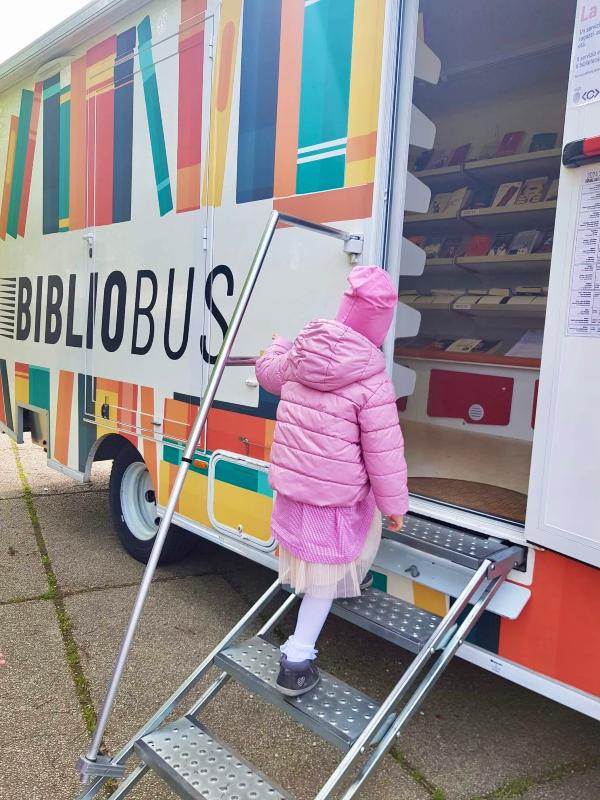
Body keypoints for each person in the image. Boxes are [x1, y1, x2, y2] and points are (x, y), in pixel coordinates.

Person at [255, 265, 408, 696]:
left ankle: (346, 582)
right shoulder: (374, 383)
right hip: (335, 502)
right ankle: (296, 660)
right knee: (327, 578)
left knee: (315, 563)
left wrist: (278, 346)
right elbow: (385, 456)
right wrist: (395, 505)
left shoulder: (300, 356)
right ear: (378, 329)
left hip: (293, 493)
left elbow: (268, 373)